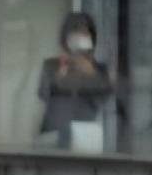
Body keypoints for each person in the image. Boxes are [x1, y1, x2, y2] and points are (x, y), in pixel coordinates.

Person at [37, 11, 114, 150]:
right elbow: (43, 94)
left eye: (84, 33)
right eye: (75, 33)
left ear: (91, 38)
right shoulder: (52, 65)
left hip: (86, 136)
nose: (79, 39)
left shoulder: (99, 69)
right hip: (53, 133)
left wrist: (90, 71)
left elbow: (105, 96)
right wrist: (63, 72)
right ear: (66, 37)